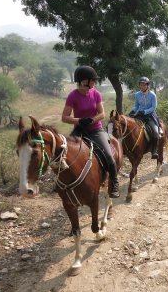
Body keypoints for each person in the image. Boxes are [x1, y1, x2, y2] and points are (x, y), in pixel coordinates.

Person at [61, 65, 120, 198]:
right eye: (92, 80)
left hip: (95, 130)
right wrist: (79, 121)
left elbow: (102, 114)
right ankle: (61, 182)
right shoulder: (72, 96)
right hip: (79, 130)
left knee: (109, 156)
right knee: (63, 154)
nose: (94, 82)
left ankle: (114, 183)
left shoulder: (96, 93)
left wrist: (91, 120)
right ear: (83, 81)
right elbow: (64, 117)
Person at [128, 76, 160, 159]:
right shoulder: (137, 94)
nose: (142, 86)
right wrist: (133, 111)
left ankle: (154, 151)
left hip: (150, 115)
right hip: (140, 115)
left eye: (144, 85)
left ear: (148, 85)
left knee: (155, 132)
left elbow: (154, 107)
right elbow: (136, 106)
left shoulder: (153, 95)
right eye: (141, 85)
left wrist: (145, 111)